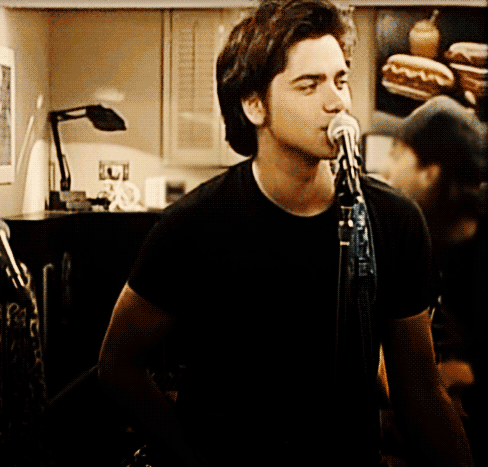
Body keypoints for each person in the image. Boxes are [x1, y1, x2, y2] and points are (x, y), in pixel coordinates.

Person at [98, 1, 474, 466]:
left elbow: (419, 390)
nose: (337, 102)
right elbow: (118, 366)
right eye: (309, 85)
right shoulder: (192, 225)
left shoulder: (395, 221)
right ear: (254, 104)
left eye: (340, 80)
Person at [388, 95, 487, 464]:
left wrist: (471, 372)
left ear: (430, 173)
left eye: (397, 155)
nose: (387, 172)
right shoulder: (409, 242)